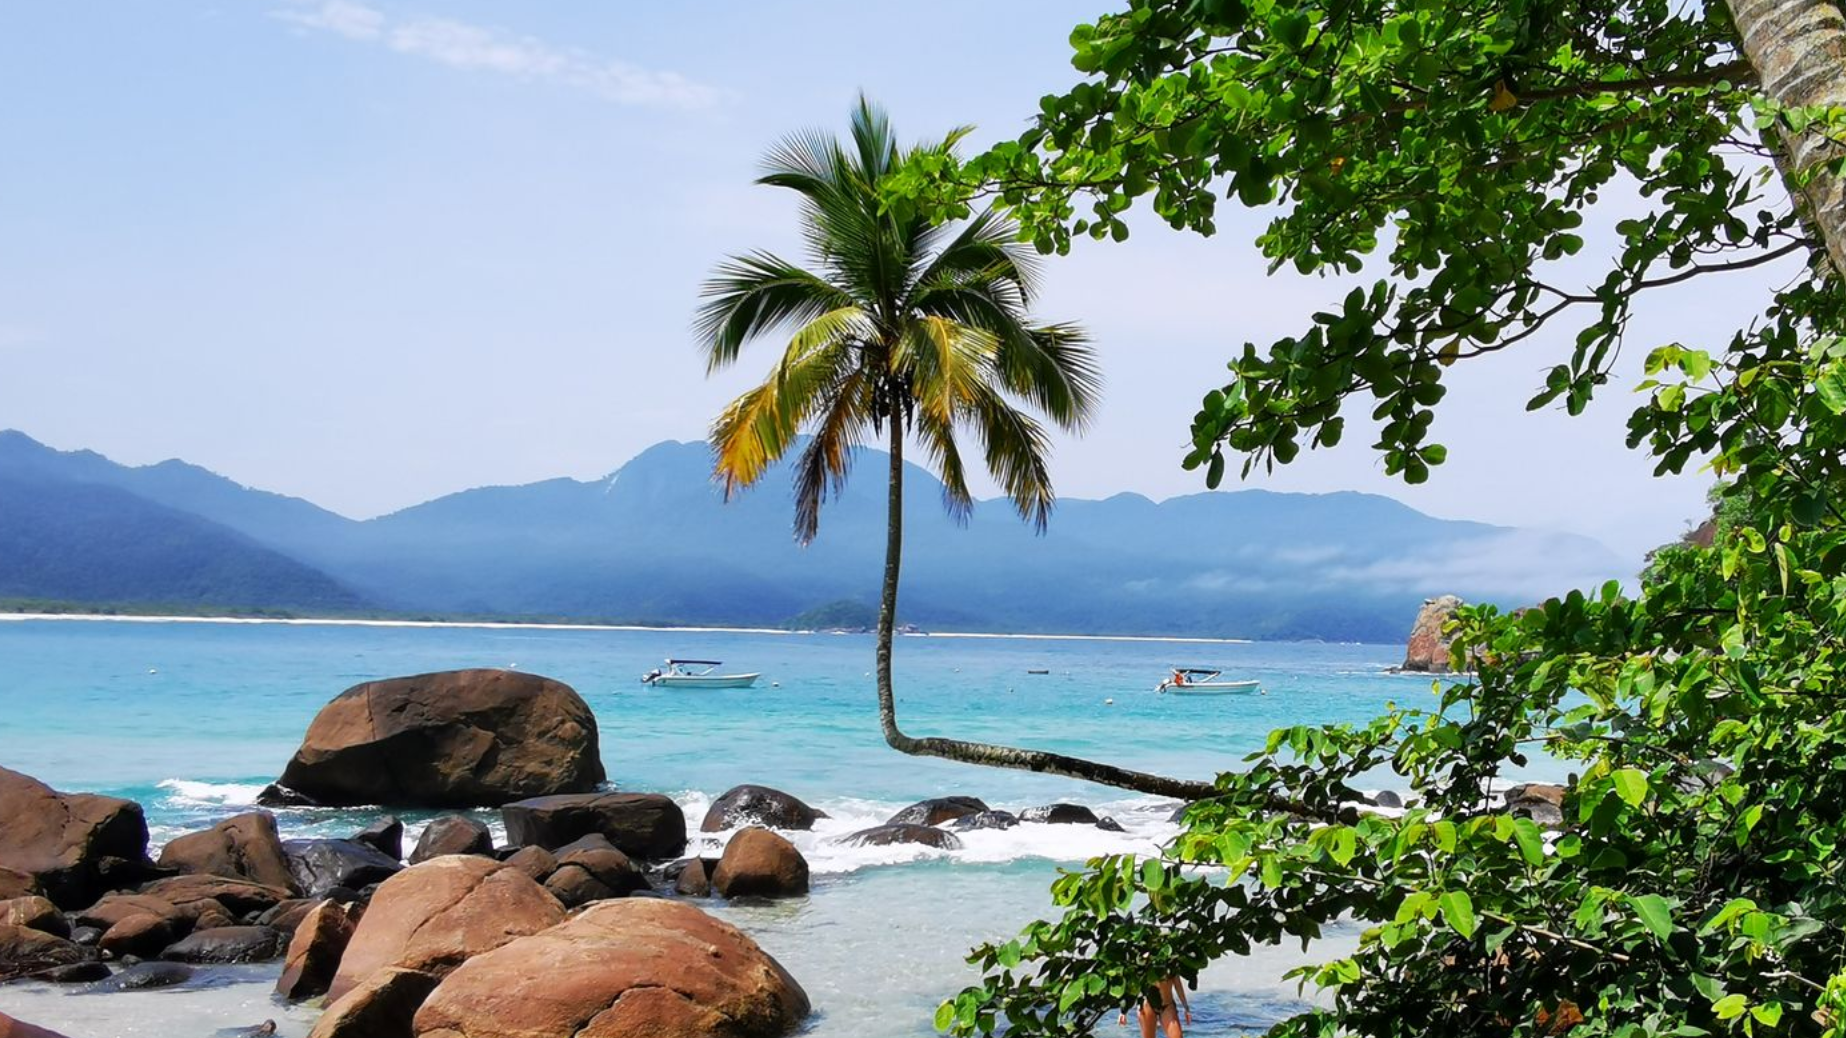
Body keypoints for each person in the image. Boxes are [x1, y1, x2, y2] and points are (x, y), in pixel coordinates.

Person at [1118, 976, 1190, 1038]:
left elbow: (1177, 982)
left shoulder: (1171, 962)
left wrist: (1186, 1006)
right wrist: (1124, 1011)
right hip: (1147, 1004)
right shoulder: (1143, 962)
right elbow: (1132, 983)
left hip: (1167, 1004)